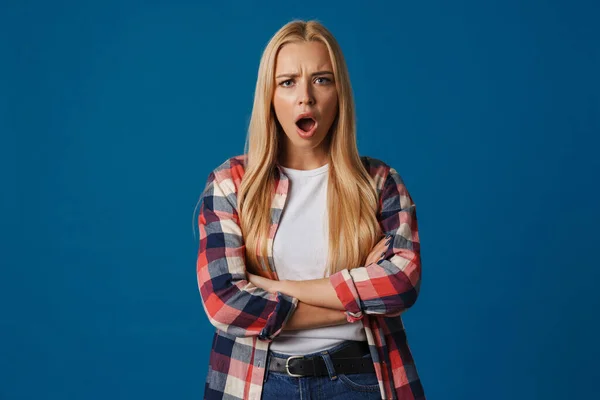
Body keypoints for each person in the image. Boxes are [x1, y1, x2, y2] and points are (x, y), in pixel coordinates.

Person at [195, 19, 425, 400]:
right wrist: (356, 306)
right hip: (258, 385)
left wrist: (273, 288)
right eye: (288, 82)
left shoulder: (380, 183)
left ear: (340, 93)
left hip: (361, 381)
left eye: (321, 79)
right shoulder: (230, 183)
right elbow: (224, 303)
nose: (306, 97)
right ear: (269, 95)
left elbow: (401, 284)